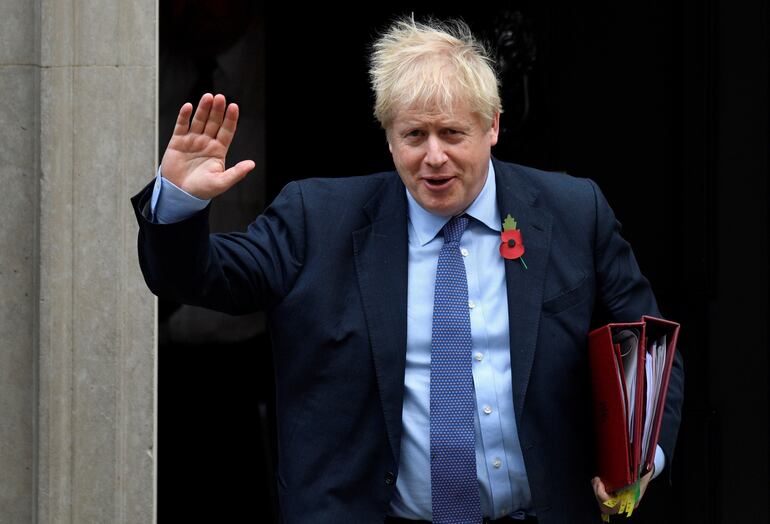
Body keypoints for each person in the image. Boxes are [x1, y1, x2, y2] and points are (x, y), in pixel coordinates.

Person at [132, 18, 683, 524]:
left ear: (492, 125)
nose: (433, 157)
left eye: (452, 134)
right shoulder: (315, 219)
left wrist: (639, 457)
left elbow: (651, 349)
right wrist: (179, 202)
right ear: (388, 134)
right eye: (414, 136)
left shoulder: (571, 211)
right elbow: (200, 278)